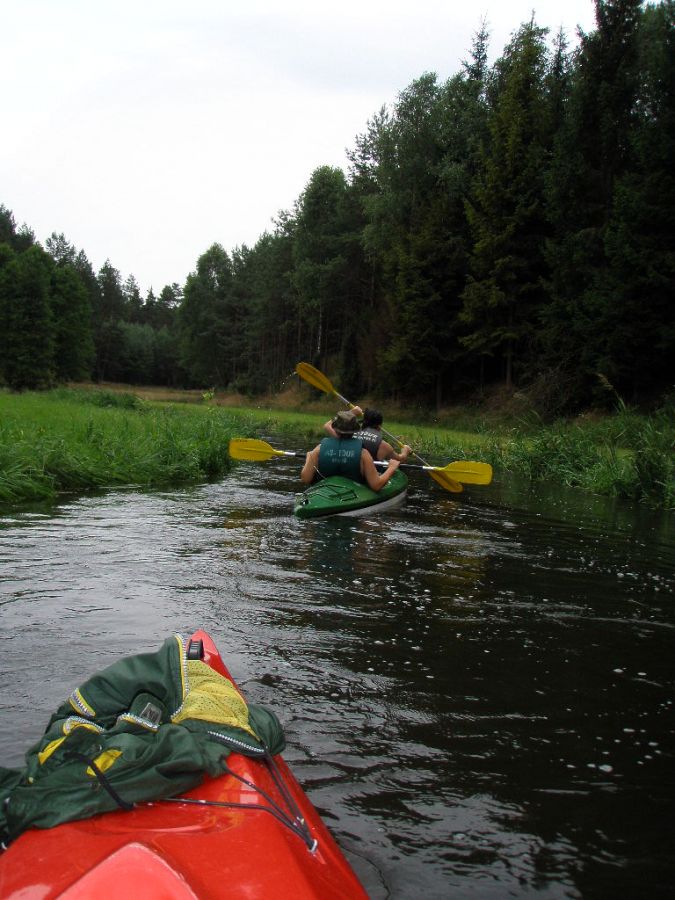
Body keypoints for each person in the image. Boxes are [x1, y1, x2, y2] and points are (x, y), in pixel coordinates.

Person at [301, 410, 401, 491]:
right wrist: (391, 468)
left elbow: (305, 479)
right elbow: (376, 485)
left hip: (325, 491)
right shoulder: (363, 454)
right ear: (355, 431)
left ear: (335, 429)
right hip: (353, 492)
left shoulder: (318, 449)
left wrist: (309, 457)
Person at [323, 407, 411, 463]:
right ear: (380, 426)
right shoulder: (383, 446)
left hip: (348, 472)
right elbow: (400, 459)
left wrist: (351, 413)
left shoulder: (347, 435)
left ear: (363, 421)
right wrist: (405, 451)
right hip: (368, 479)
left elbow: (327, 426)